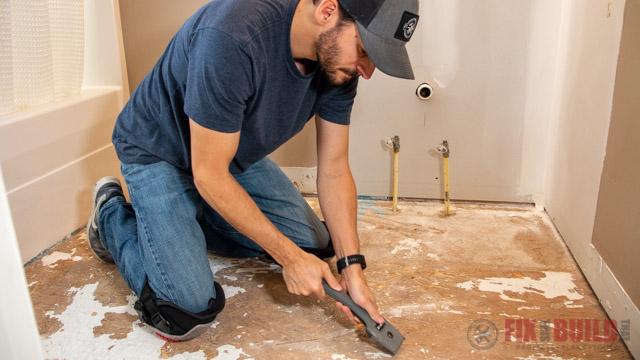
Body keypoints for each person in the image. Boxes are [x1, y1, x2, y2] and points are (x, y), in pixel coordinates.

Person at [86, 0, 419, 341]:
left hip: (225, 151)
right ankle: (111, 214)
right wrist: (288, 258)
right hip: (159, 150)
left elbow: (334, 168)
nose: (367, 70)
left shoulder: (338, 63)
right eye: (364, 51)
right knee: (185, 311)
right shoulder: (233, 36)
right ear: (328, 11)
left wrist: (353, 267)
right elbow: (210, 175)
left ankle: (188, 217)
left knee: (315, 245)